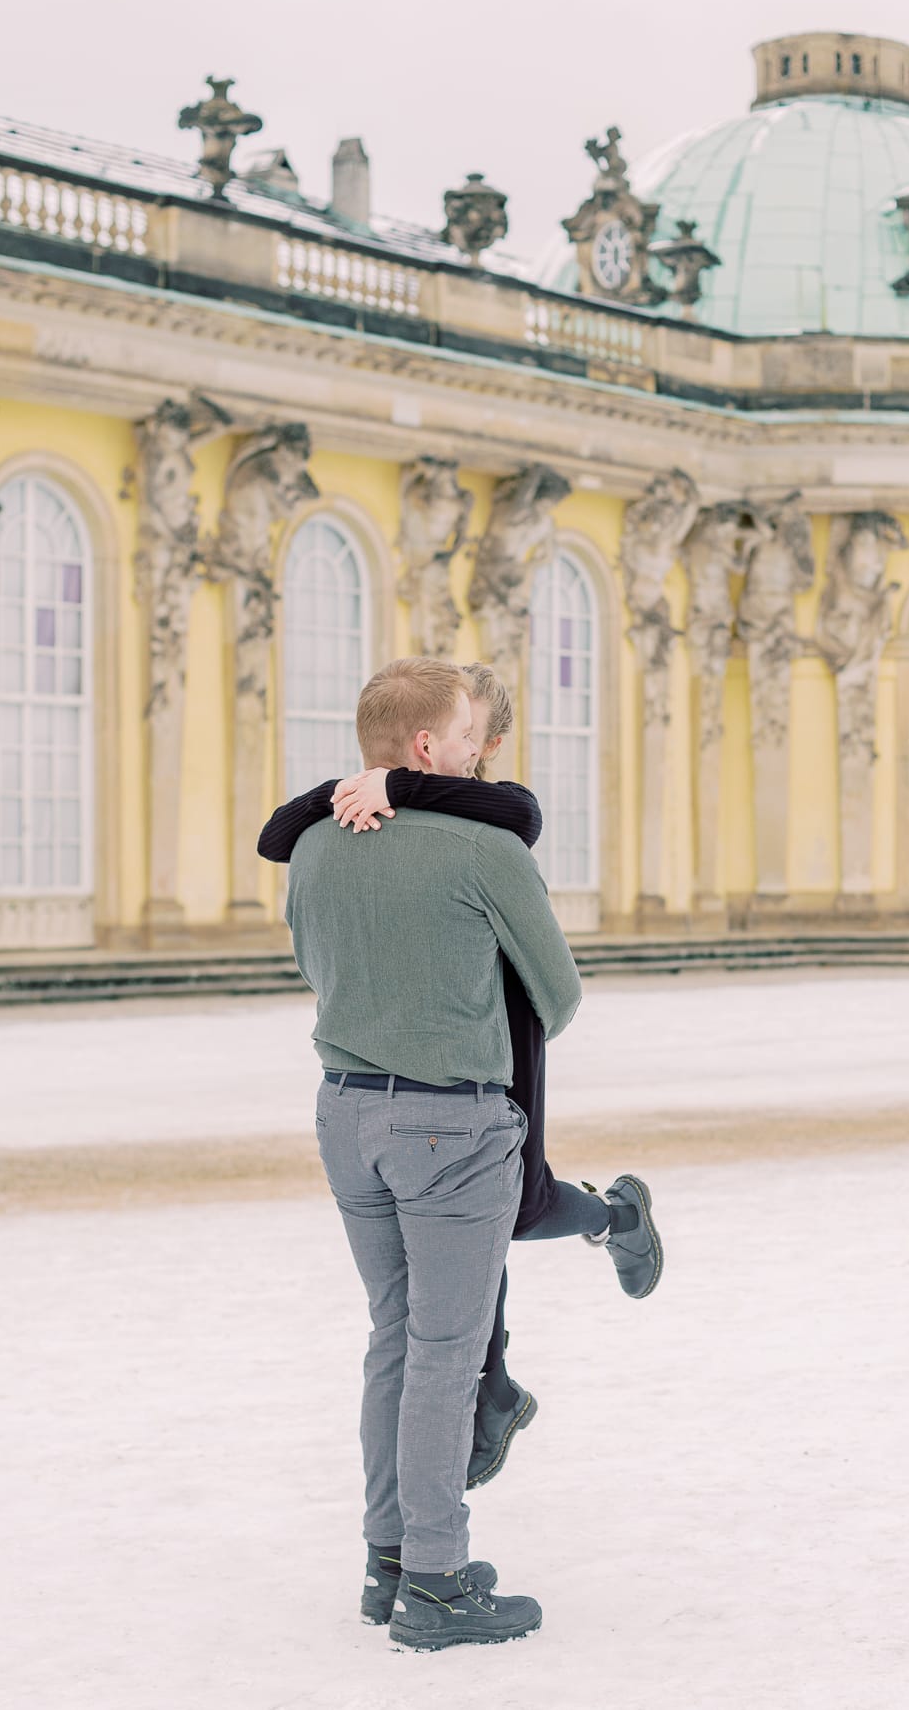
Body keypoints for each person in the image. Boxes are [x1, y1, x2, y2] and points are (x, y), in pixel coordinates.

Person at [261, 662, 664, 1646]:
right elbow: (559, 998)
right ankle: (438, 1585)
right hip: (454, 1122)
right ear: (428, 749)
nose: (489, 749)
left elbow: (319, 963)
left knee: (395, 1342)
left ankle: (388, 1562)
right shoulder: (483, 847)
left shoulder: (310, 845)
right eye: (477, 732)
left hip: (345, 1112)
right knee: (445, 1358)